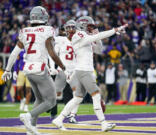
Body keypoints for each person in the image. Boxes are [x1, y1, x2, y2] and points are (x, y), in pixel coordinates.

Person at [52, 16, 128, 131]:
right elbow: (97, 36)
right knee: (96, 95)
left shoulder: (83, 36)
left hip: (81, 70)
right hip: (84, 70)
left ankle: (59, 119)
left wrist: (97, 37)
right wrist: (114, 30)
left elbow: (99, 49)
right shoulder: (79, 35)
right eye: (90, 26)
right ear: (83, 26)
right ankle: (103, 123)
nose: (91, 28)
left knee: (77, 99)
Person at [1, 6, 65, 135]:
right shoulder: (48, 30)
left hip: (28, 70)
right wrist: (63, 66)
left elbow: (14, 53)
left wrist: (8, 70)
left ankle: (32, 128)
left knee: (40, 99)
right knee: (51, 101)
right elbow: (52, 53)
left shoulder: (24, 31)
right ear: (43, 17)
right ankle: (28, 116)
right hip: (40, 70)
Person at [48, 20, 78, 123]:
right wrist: (52, 67)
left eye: (72, 28)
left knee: (76, 94)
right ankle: (51, 111)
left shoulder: (79, 40)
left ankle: (72, 116)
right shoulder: (60, 39)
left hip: (74, 71)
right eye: (68, 28)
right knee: (55, 94)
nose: (70, 30)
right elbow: (51, 53)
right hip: (62, 70)